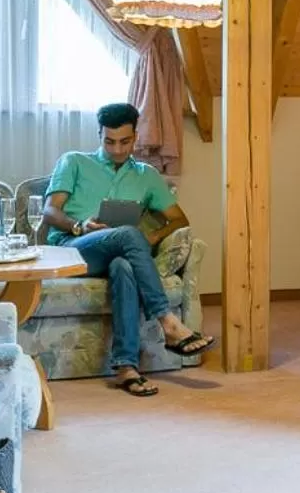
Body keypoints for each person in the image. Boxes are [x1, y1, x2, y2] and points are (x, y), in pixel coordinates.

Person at [44, 102, 214, 396]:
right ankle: (168, 322)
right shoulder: (73, 161)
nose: (117, 149)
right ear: (99, 135)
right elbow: (49, 212)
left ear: (135, 137)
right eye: (109, 141)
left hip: (119, 253)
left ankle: (126, 367)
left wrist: (152, 238)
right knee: (127, 234)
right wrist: (80, 226)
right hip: (74, 248)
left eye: (124, 141)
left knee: (123, 264)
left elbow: (178, 220)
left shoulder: (146, 174)